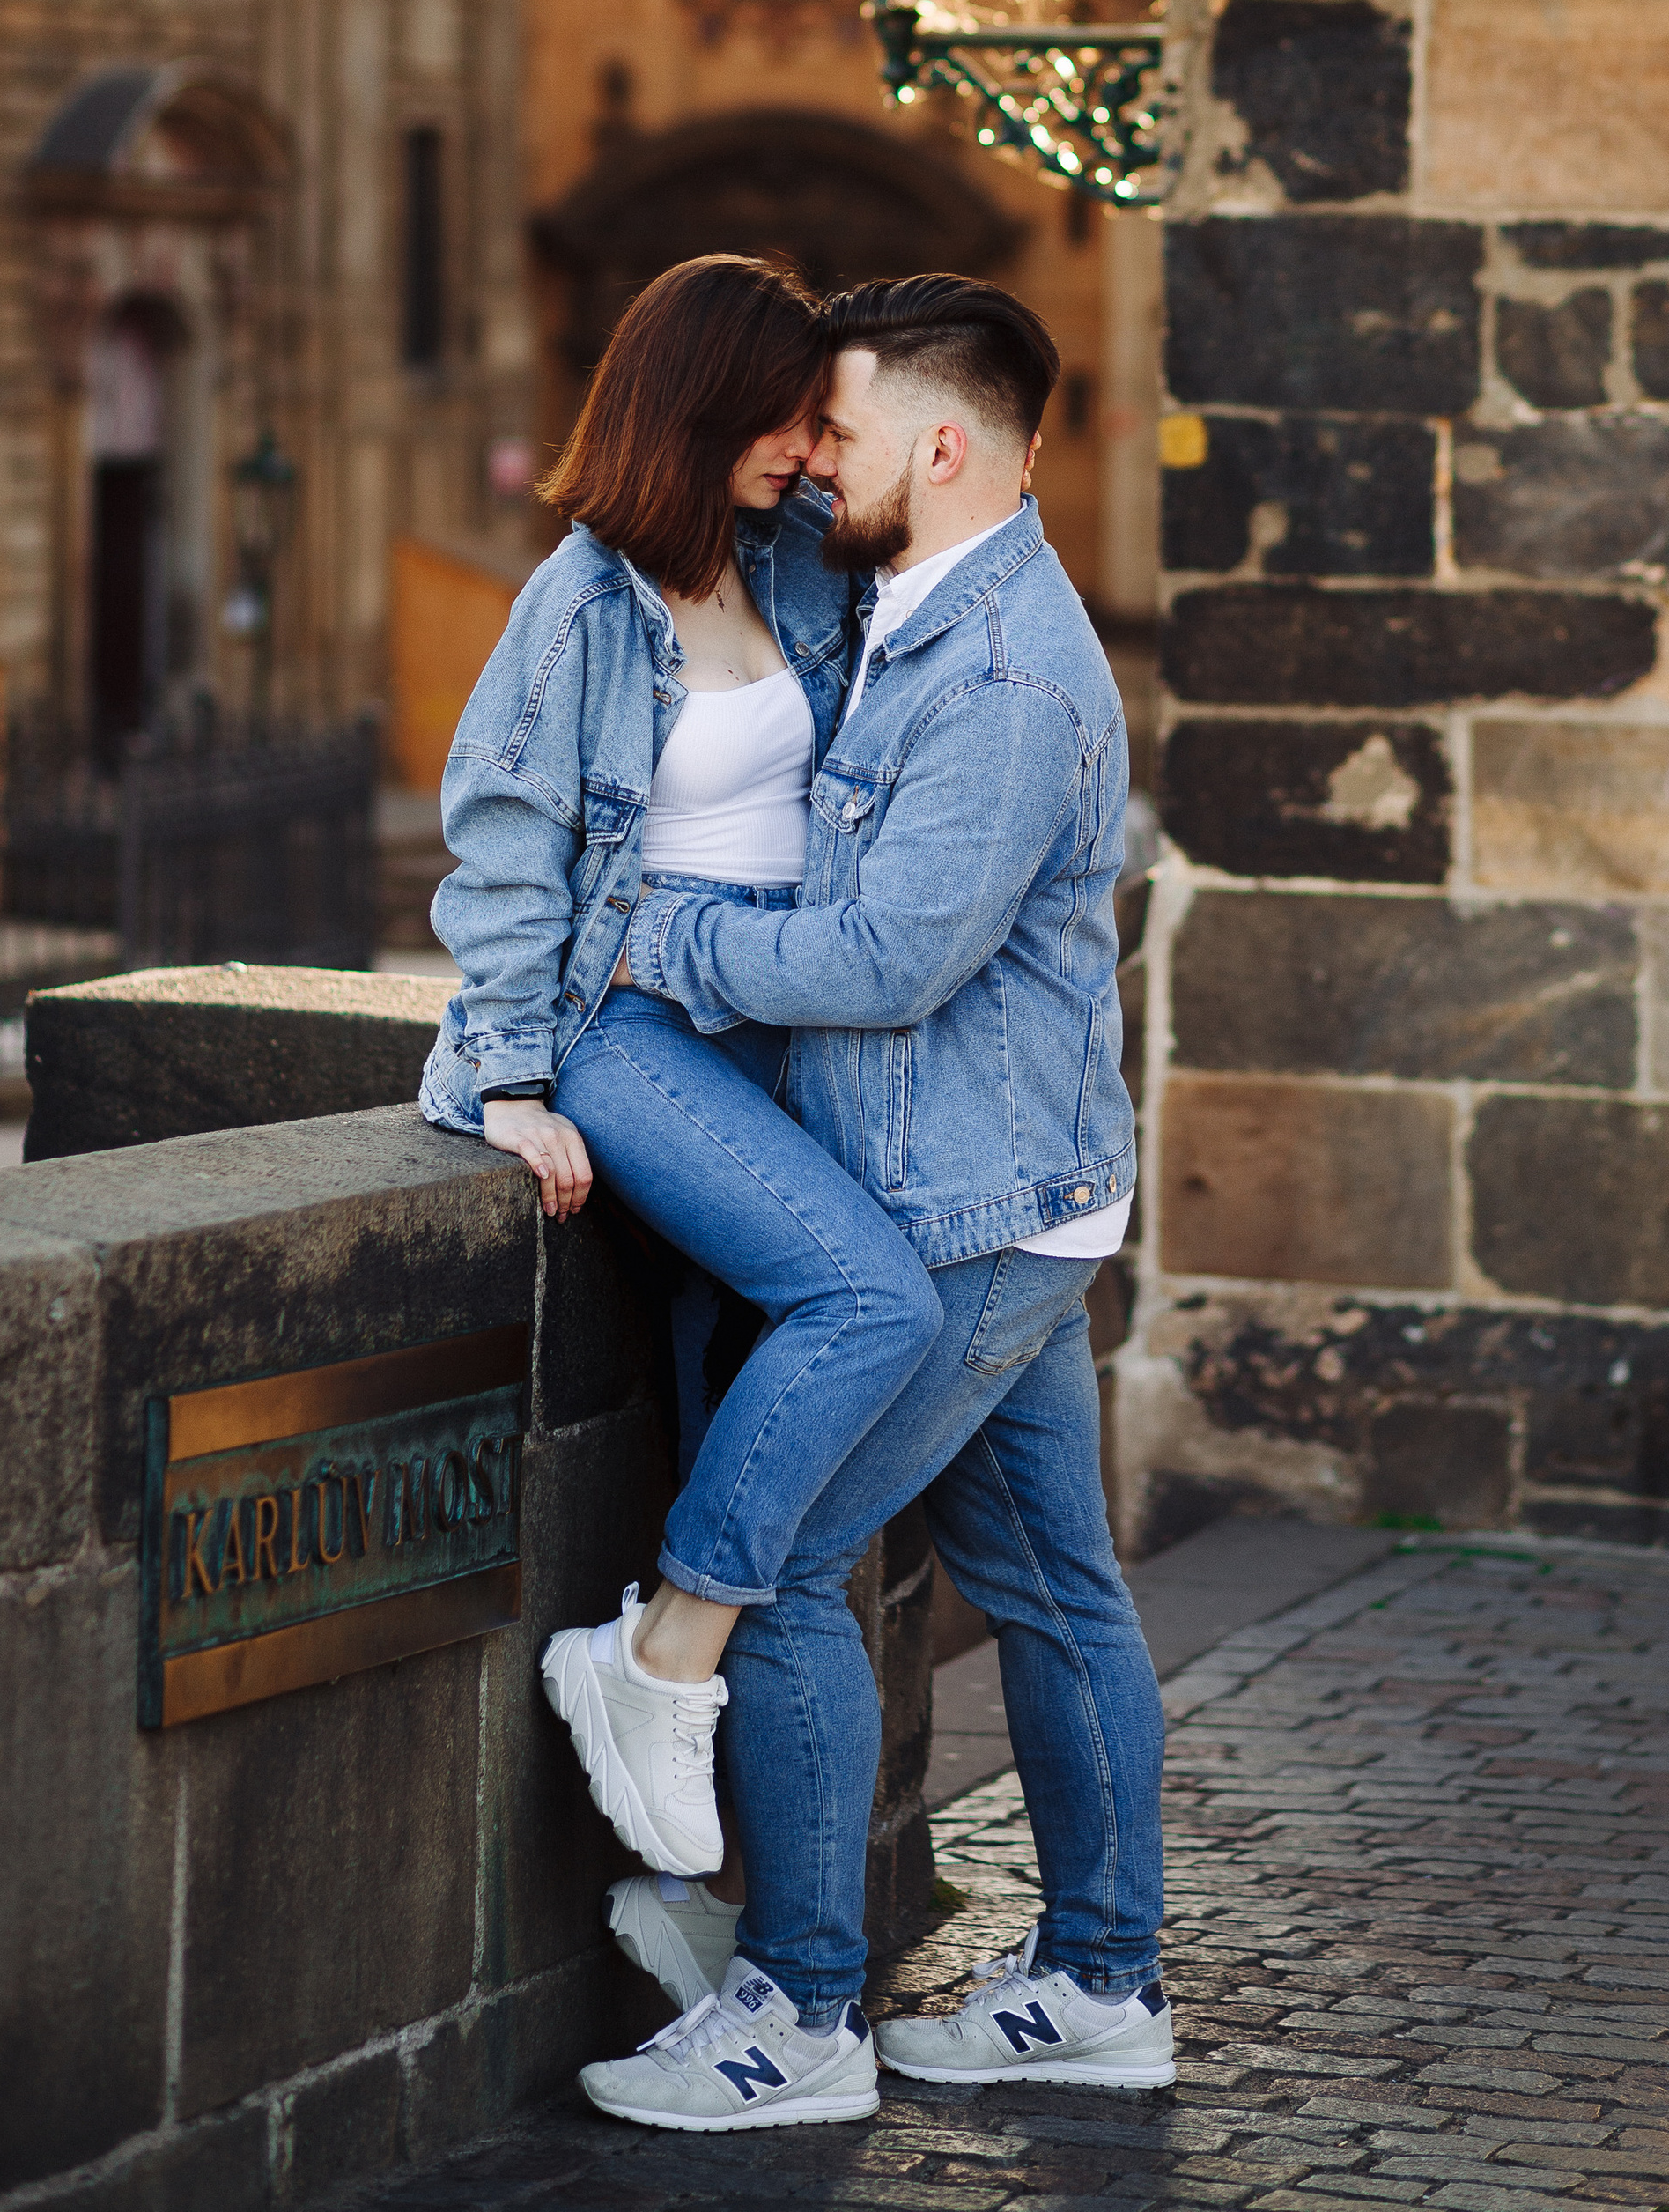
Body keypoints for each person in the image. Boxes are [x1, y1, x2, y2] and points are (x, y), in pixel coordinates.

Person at [576, 274, 1170, 2137]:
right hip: (999, 1188)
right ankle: (1103, 1984)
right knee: (1055, 1593)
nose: (813, 460)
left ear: (942, 445)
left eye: (837, 430)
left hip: (968, 1213)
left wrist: (655, 943)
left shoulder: (1004, 679)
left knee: (779, 1571)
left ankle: (800, 2012)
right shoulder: (918, 605)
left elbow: (892, 956)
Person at [419, 254, 942, 1883]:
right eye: (784, 419)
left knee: (756, 1427)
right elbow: (506, 846)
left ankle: (737, 1925)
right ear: (699, 407)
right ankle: (655, 1653)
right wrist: (513, 1082)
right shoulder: (583, 604)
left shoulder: (790, 560)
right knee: (872, 1301)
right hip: (629, 1028)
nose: (806, 447)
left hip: (780, 1027)